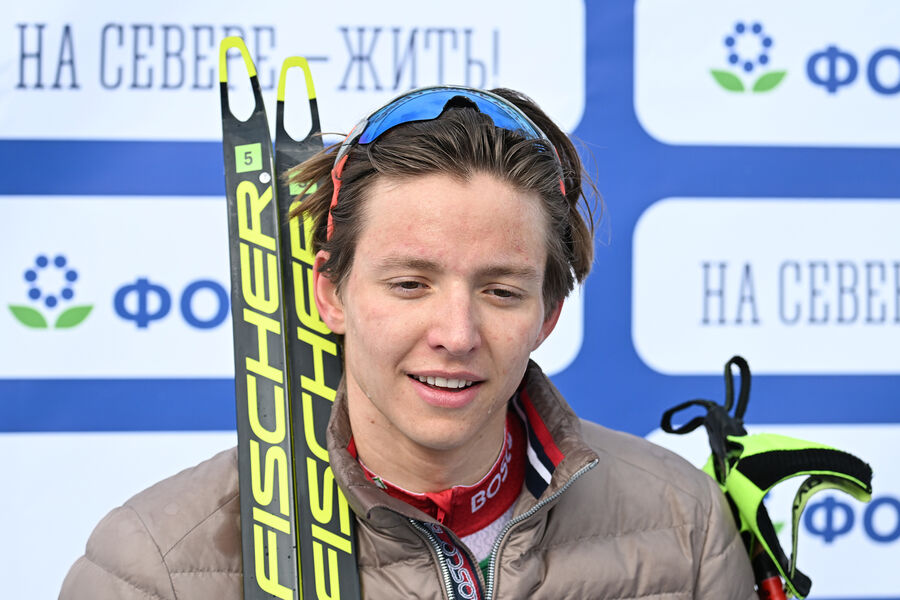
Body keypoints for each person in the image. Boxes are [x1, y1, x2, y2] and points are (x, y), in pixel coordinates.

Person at [60, 86, 756, 599]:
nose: (455, 335)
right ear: (331, 293)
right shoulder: (155, 567)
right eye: (409, 284)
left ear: (548, 314)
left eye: (500, 291)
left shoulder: (684, 523)